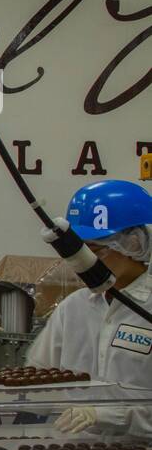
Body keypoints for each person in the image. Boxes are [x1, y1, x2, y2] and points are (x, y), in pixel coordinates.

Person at [26, 180, 152, 436]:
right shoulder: (73, 308)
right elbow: (36, 378)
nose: (82, 263)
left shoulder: (146, 311)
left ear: (134, 244)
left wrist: (110, 416)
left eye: (96, 251)